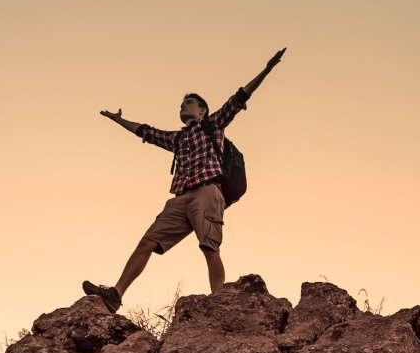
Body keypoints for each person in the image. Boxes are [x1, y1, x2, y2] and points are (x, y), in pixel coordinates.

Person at [84, 48, 285, 312]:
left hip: (207, 192)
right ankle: (115, 295)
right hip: (180, 198)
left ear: (202, 111)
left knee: (209, 246)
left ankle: (219, 300)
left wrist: (267, 69)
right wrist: (118, 120)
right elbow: (145, 132)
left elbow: (240, 97)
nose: (183, 105)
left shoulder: (213, 125)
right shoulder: (177, 139)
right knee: (147, 242)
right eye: (182, 103)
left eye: (189, 102)